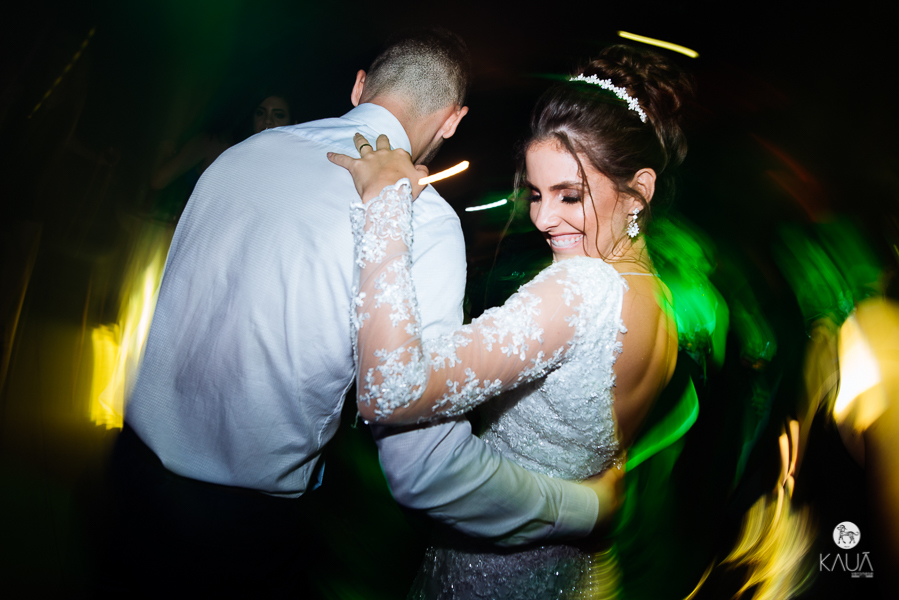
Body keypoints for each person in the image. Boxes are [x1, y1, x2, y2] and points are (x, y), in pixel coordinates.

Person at [108, 29, 609, 596]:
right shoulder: (421, 217)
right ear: (452, 121)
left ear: (359, 87)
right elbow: (421, 461)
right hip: (238, 530)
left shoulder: (242, 153)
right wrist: (584, 507)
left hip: (127, 474)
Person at [329, 43, 691, 598]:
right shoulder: (660, 298)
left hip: (491, 575)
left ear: (638, 191)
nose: (543, 218)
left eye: (570, 196)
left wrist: (384, 204)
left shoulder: (581, 290)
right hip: (572, 573)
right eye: (538, 194)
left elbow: (391, 389)